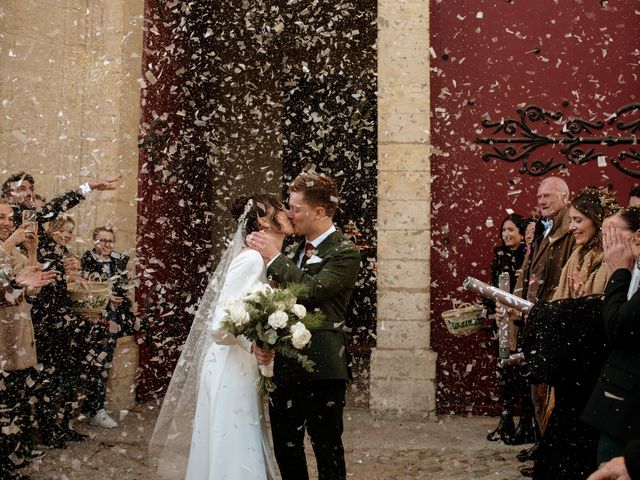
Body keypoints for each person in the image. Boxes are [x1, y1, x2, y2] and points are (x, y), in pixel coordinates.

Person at [150, 193, 294, 480]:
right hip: (230, 366)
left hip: (240, 365)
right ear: (265, 221)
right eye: (281, 208)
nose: (288, 212)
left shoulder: (264, 260)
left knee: (239, 438)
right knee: (235, 443)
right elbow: (219, 326)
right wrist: (253, 343)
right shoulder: (251, 259)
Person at [249, 172, 361, 480]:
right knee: (287, 449)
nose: (288, 214)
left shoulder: (345, 253)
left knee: (327, 450)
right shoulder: (294, 251)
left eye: (295, 208)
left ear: (320, 212)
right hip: (283, 367)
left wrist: (273, 258)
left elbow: (312, 292)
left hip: (322, 370)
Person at [522, 188, 620, 480]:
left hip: (592, 365)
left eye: (579, 221)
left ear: (597, 220)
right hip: (572, 363)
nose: (574, 227)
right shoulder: (577, 254)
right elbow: (561, 297)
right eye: (572, 221)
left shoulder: (608, 259)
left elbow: (608, 305)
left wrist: (582, 303)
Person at [510, 176, 576, 470]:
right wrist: (515, 301)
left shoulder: (569, 230)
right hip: (534, 319)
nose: (541, 200)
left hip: (554, 320)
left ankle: (552, 458)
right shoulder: (540, 229)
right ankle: (543, 450)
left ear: (565, 196)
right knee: (537, 391)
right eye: (539, 195)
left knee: (551, 394)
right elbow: (527, 271)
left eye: (548, 195)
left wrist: (546, 310)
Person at [0, 201, 56, 479]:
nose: (7, 222)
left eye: (10, 218)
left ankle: (15, 459)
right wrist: (11, 242)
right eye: (1, 217)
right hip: (1, 340)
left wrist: (32, 251)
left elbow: (30, 288)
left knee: (17, 403)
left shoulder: (13, 251)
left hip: (18, 335)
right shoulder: (4, 248)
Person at [582, 206, 640, 464]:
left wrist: (619, 272)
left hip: (629, 405)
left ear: (636, 237)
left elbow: (620, 327)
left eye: (612, 235)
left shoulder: (625, 269)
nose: (607, 244)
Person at [485, 213, 530, 444]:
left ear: (522, 234)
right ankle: (505, 421)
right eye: (504, 230)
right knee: (505, 371)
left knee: (523, 371)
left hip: (523, 322)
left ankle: (525, 422)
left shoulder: (528, 255)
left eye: (511, 230)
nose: (506, 234)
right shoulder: (499, 255)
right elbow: (493, 286)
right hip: (503, 322)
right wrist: (492, 310)